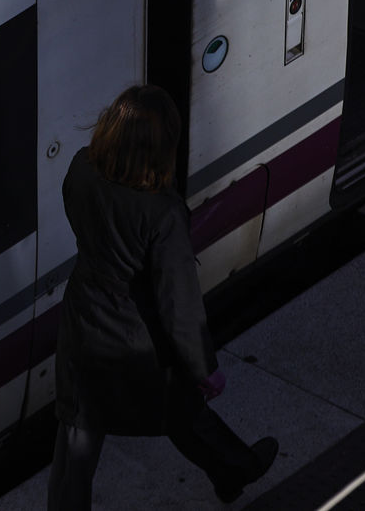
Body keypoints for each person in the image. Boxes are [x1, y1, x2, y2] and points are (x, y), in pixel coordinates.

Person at [48, 85, 277, 509]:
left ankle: (233, 472)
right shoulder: (163, 213)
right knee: (184, 414)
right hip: (140, 341)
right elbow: (179, 305)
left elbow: (76, 217)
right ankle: (235, 470)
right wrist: (203, 368)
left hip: (83, 323)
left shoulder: (81, 169)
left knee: (77, 436)